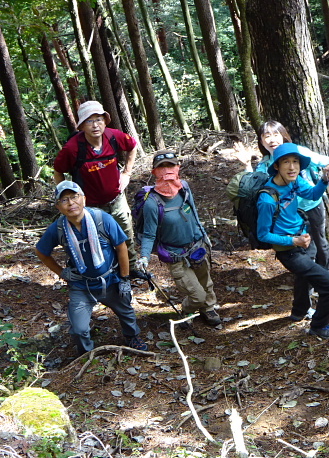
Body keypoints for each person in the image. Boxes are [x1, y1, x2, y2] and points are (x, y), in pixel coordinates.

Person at [35, 181, 148, 355]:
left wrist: (125, 278)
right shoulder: (58, 229)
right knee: (79, 329)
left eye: (74, 197)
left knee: (127, 313)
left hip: (111, 280)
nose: (71, 203)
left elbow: (121, 247)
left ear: (84, 199)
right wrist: (62, 272)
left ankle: (132, 337)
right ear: (58, 206)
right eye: (64, 200)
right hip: (82, 285)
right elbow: (41, 252)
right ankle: (87, 354)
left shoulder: (101, 219)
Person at [235, 120, 329, 274]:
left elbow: (319, 159)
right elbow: (253, 184)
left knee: (320, 241)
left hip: (311, 205)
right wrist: (247, 165)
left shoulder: (296, 151)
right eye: (266, 136)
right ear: (261, 141)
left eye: (276, 134)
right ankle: (310, 276)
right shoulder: (265, 163)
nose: (272, 139)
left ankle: (327, 273)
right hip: (291, 212)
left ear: (283, 136)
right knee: (305, 245)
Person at [256, 142, 329, 339]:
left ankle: (298, 311)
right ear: (276, 166)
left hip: (305, 239)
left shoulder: (294, 182)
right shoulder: (267, 199)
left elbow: (311, 194)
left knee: (305, 277)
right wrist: (293, 241)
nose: (292, 167)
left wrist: (323, 180)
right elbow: (263, 235)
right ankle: (319, 325)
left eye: (295, 161)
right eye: (286, 162)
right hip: (290, 250)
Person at [53, 101, 143, 278]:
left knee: (125, 235)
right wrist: (68, 198)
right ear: (81, 125)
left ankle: (132, 269)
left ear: (105, 120)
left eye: (99, 119)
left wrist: (126, 173)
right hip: (91, 206)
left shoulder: (113, 136)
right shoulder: (72, 148)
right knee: (98, 241)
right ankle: (108, 274)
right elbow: (58, 171)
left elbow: (132, 146)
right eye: (89, 121)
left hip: (116, 198)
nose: (95, 125)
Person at [136, 151, 222, 327]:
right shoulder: (152, 203)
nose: (167, 171)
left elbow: (194, 213)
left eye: (170, 166)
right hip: (175, 254)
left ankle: (209, 308)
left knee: (206, 282)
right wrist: (144, 256)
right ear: (154, 172)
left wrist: (203, 235)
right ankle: (188, 309)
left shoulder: (184, 188)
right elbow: (149, 234)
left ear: (178, 168)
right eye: (161, 167)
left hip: (197, 246)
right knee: (197, 294)